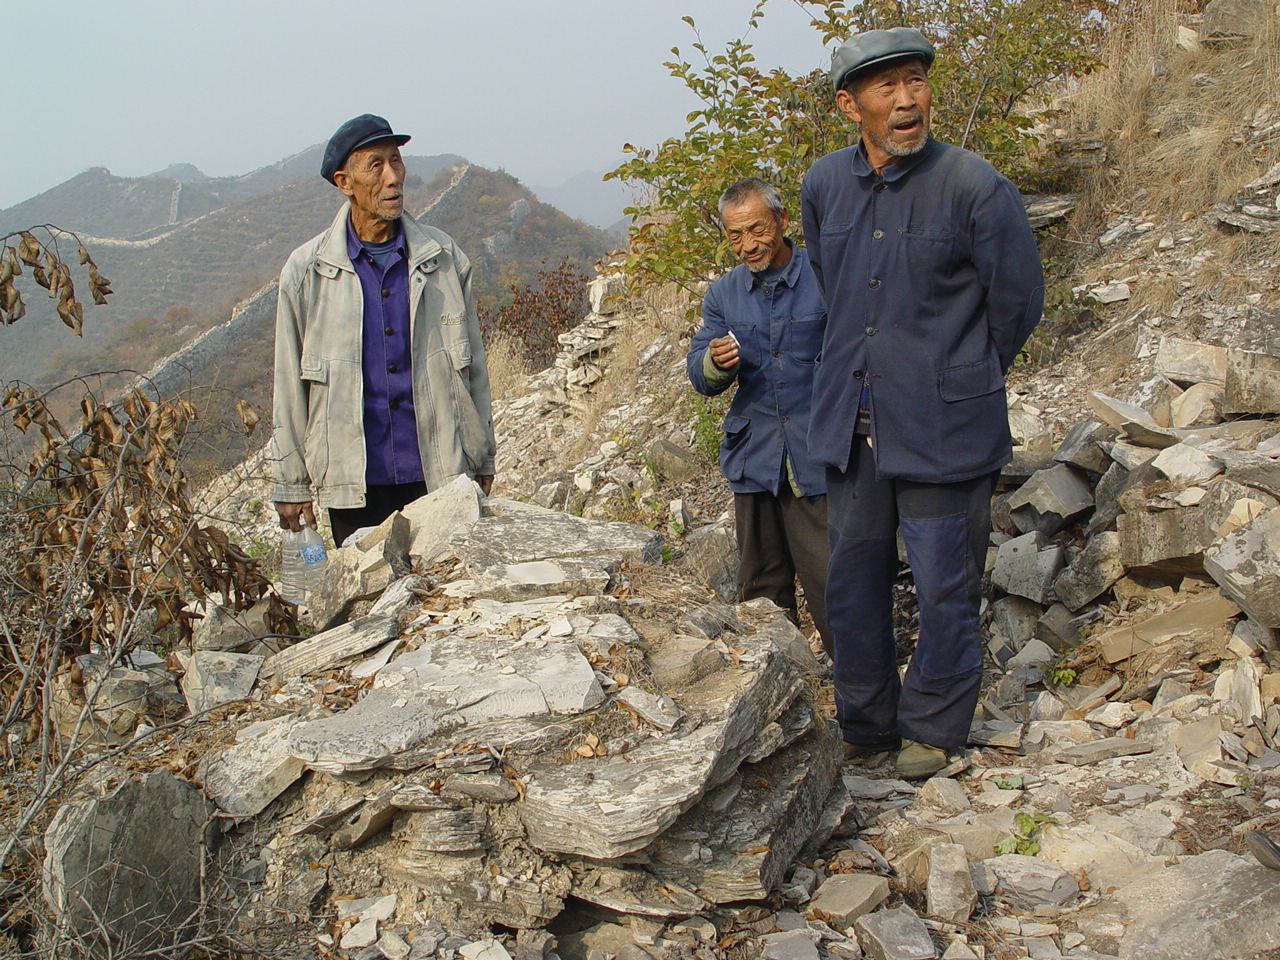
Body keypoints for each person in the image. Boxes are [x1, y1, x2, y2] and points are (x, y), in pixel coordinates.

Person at [800, 29, 1044, 777]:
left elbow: (1018, 302)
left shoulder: (975, 186)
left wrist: (958, 372)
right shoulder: (823, 186)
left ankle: (934, 728)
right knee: (853, 580)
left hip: (944, 427)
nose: (907, 100)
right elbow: (830, 285)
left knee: (943, 584)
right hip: (851, 426)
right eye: (885, 88)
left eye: (915, 81)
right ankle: (866, 720)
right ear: (850, 105)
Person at [271, 114, 496, 548]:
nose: (393, 177)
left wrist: (483, 454)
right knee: (372, 607)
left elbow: (476, 370)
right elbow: (288, 385)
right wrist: (292, 483)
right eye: (376, 165)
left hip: (439, 471)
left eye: (396, 161)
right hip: (354, 481)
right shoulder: (308, 272)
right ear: (344, 181)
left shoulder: (443, 259)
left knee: (444, 602)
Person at [687, 177, 834, 656]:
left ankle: (860, 696)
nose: (748, 245)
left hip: (821, 458)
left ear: (783, 221)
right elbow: (700, 373)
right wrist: (713, 362)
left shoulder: (826, 271)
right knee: (762, 594)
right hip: (755, 459)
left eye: (757, 230)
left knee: (835, 584)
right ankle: (781, 689)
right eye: (735, 236)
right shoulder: (723, 294)